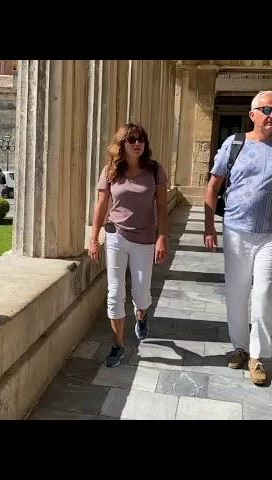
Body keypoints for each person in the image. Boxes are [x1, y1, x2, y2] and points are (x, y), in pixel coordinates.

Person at [204, 90, 272, 386]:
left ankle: (258, 356)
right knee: (236, 291)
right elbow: (212, 187)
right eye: (266, 110)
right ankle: (239, 347)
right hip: (236, 230)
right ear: (253, 114)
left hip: (271, 233)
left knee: (263, 293)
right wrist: (210, 227)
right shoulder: (233, 144)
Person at [89, 123, 169, 368]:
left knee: (141, 292)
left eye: (141, 139)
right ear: (122, 144)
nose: (137, 144)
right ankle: (117, 345)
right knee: (115, 293)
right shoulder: (111, 170)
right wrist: (94, 238)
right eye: (132, 139)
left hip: (144, 239)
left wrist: (162, 237)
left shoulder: (154, 170)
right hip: (115, 236)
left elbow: (162, 207)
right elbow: (101, 205)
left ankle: (141, 314)